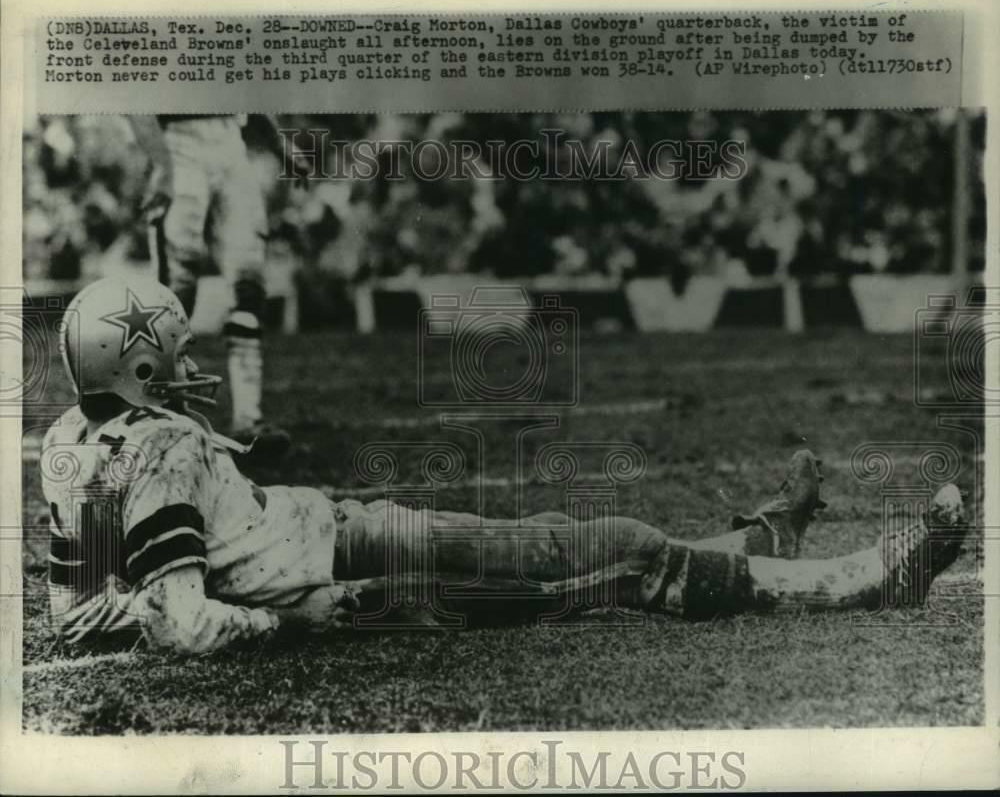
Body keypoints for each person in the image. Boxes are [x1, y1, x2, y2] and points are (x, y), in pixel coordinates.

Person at [42, 277, 969, 656]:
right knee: (624, 550)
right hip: (351, 567)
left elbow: (79, 611)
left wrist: (209, 592)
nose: (193, 367)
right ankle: (860, 584)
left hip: (328, 531)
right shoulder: (163, 446)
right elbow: (184, 618)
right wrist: (291, 621)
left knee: (565, 542)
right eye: (175, 353)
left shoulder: (70, 443)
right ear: (142, 369)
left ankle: (761, 542)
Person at [128, 114, 301, 455]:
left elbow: (242, 80)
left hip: (230, 143)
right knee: (178, 289)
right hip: (179, 145)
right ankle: (167, 416)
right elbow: (137, 100)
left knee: (249, 284)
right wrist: (162, 164)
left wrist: (281, 143)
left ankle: (248, 419)